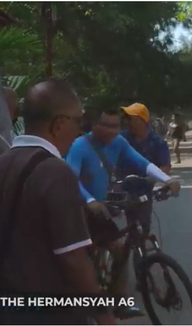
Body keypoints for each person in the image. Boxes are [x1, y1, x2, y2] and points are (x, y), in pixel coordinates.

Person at [0, 79, 115, 324]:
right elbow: (73, 259)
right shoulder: (56, 172)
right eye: (78, 120)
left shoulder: (4, 162)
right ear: (60, 123)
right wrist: (104, 315)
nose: (81, 130)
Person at [65, 108, 180, 319]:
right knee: (80, 260)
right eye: (106, 125)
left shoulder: (118, 142)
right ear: (94, 126)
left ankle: (118, 302)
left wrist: (167, 179)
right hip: (79, 209)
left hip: (100, 209)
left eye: (115, 126)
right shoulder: (80, 146)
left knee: (120, 250)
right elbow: (70, 179)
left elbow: (141, 162)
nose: (111, 131)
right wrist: (89, 201)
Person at [119, 102, 171, 236]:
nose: (127, 123)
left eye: (130, 119)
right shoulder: (121, 138)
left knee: (144, 227)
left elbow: (165, 167)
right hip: (122, 188)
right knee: (128, 228)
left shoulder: (158, 142)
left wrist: (152, 179)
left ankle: (143, 249)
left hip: (144, 190)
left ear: (141, 121)